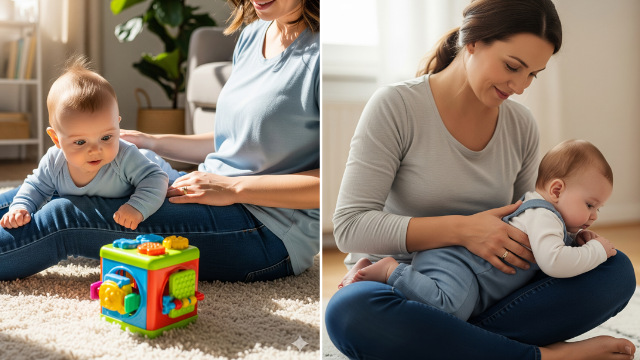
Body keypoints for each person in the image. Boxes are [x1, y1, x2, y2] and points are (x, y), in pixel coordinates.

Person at [325, 0, 636, 359]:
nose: (520, 87)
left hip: (489, 286)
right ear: (473, 40)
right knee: (350, 314)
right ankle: (544, 355)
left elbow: (532, 215)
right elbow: (350, 226)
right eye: (512, 66)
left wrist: (571, 237)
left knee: (615, 273)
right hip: (404, 285)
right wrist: (462, 229)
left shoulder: (521, 125)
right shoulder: (397, 106)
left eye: (533, 74)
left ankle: (454, 345)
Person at [0, 0, 319, 284]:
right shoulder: (253, 34)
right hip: (206, 188)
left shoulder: (322, 56)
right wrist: (152, 142)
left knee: (64, 217)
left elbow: (332, 186)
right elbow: (237, 142)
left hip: (267, 228)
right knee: (34, 193)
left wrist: (233, 188)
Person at [344, 139, 617, 322]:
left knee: (617, 272)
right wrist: (596, 250)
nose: (593, 216)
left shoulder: (550, 218)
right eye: (590, 204)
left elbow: (553, 252)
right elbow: (555, 263)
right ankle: (391, 271)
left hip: (470, 276)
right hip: (456, 263)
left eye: (599, 209)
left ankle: (376, 279)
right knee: (451, 309)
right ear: (557, 190)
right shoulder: (543, 214)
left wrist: (578, 241)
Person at [0, 55, 168, 231]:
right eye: (80, 142)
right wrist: (20, 207)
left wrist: (137, 206)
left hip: (153, 163)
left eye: (106, 138)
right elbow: (36, 187)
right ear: (56, 139)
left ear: (117, 127)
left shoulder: (124, 156)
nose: (95, 150)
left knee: (174, 186)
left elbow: (156, 178)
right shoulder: (54, 161)